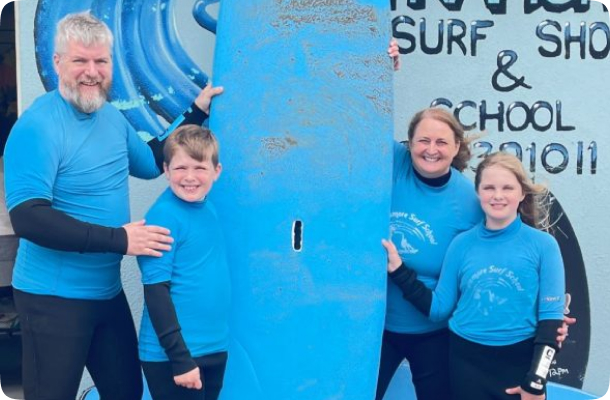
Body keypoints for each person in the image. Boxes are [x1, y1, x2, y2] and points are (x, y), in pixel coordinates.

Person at [3, 12, 221, 400]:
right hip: (51, 300)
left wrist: (197, 111)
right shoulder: (38, 126)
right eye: (80, 61)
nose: (92, 72)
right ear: (57, 63)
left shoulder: (112, 118)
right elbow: (29, 218)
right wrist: (120, 239)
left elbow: (155, 161)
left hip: (106, 294)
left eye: (100, 61)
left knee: (126, 393)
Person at [374, 108, 572, 400]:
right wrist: (377, 63)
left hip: (462, 346)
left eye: (441, 142)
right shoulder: (462, 242)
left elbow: (545, 313)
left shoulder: (536, 242)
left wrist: (540, 366)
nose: (497, 195)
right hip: (394, 332)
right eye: (489, 188)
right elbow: (361, 117)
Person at [136, 125, 230, 400]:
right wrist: (180, 358)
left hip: (212, 347)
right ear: (166, 170)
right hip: (176, 357)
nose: (190, 177)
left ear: (217, 171)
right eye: (180, 168)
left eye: (200, 168)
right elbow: (155, 292)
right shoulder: (163, 217)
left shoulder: (207, 208)